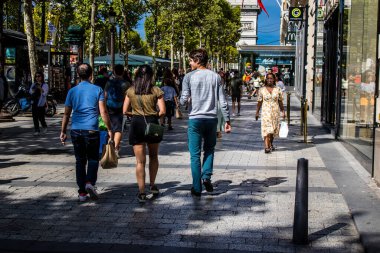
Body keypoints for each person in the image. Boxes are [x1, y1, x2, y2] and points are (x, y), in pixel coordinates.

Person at [180, 48, 231, 197]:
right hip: (211, 120)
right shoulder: (215, 77)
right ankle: (206, 176)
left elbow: (184, 99)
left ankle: (197, 188)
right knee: (209, 149)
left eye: (190, 60)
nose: (189, 63)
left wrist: (181, 103)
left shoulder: (188, 77)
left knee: (194, 155)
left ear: (197, 61)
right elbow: (223, 101)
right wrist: (227, 120)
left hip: (195, 120)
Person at [60, 63, 114, 202]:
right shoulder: (98, 90)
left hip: (76, 129)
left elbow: (66, 114)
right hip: (92, 129)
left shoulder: (72, 91)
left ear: (78, 75)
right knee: (93, 158)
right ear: (91, 75)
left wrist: (63, 131)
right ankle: (90, 182)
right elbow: (103, 112)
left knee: (80, 160)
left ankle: (82, 193)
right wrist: (109, 129)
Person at [123, 65, 166, 203]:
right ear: (151, 75)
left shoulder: (131, 90)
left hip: (136, 124)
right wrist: (153, 115)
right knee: (153, 156)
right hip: (152, 123)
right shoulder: (156, 90)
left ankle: (141, 192)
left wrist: (135, 114)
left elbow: (125, 110)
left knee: (140, 161)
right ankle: (152, 186)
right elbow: (163, 111)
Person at [255, 73, 286, 154]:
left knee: (273, 130)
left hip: (275, 113)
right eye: (268, 78)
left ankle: (270, 144)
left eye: (271, 78)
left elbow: (280, 101)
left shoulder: (278, 89)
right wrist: (257, 112)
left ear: (274, 79)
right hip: (265, 113)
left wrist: (283, 111)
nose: (269, 80)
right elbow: (259, 101)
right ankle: (266, 147)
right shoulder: (262, 90)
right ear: (266, 79)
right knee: (266, 130)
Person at [104, 64, 130, 158]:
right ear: (123, 72)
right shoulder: (126, 84)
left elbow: (105, 96)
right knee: (118, 129)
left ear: (114, 71)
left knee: (109, 127)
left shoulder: (109, 82)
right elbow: (129, 97)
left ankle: (109, 147)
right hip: (121, 108)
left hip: (109, 107)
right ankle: (115, 149)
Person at [29, 71, 49, 136]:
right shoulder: (33, 84)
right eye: (36, 76)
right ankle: (37, 130)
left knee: (41, 117)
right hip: (34, 102)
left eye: (39, 76)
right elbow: (30, 92)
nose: (37, 78)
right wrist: (34, 89)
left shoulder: (45, 85)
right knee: (35, 117)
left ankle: (44, 126)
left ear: (42, 77)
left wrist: (40, 88)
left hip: (41, 103)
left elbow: (44, 94)